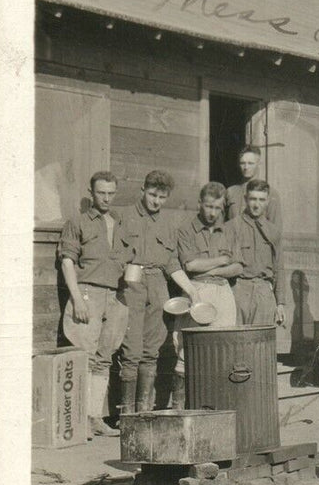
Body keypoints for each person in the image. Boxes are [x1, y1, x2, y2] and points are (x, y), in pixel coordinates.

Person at [116, 171, 197, 416]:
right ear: (143, 190)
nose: (156, 201)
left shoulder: (168, 224)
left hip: (159, 285)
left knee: (151, 351)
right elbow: (114, 255)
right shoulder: (124, 217)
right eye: (152, 195)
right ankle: (127, 414)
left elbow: (172, 263)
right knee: (131, 351)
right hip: (132, 284)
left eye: (162, 197)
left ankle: (143, 412)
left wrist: (191, 290)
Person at [57, 170, 129, 436]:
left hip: (115, 296)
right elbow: (67, 262)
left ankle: (95, 418)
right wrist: (77, 298)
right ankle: (79, 420)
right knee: (85, 357)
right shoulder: (78, 222)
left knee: (104, 359)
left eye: (111, 193)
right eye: (101, 193)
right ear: (91, 193)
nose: (106, 198)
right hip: (88, 293)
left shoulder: (119, 221)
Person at [171, 182, 243, 407]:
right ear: (200, 203)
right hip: (197, 290)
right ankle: (181, 408)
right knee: (188, 350)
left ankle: (213, 407)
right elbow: (190, 265)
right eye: (209, 206)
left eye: (217, 208)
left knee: (222, 348)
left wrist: (211, 269)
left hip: (223, 291)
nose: (213, 212)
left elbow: (237, 267)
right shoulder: (186, 229)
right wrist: (221, 260)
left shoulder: (229, 231)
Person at [229, 179, 287, 331]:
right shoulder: (231, 227)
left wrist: (280, 303)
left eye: (261, 200)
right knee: (235, 339)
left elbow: (279, 268)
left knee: (261, 342)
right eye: (253, 199)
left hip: (263, 293)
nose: (256, 204)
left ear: (267, 201)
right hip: (238, 290)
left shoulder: (273, 231)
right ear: (246, 199)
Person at [224, 145, 282, 229]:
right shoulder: (231, 192)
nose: (246, 167)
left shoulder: (271, 193)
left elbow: (275, 230)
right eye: (242, 163)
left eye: (250, 163)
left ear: (259, 164)